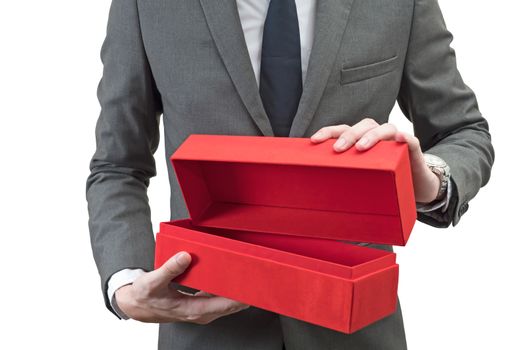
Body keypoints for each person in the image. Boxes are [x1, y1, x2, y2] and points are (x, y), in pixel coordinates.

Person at [86, 0, 494, 349]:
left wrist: (428, 178)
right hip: (207, 331)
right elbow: (118, 163)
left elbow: (463, 130)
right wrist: (127, 281)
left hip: (356, 331)